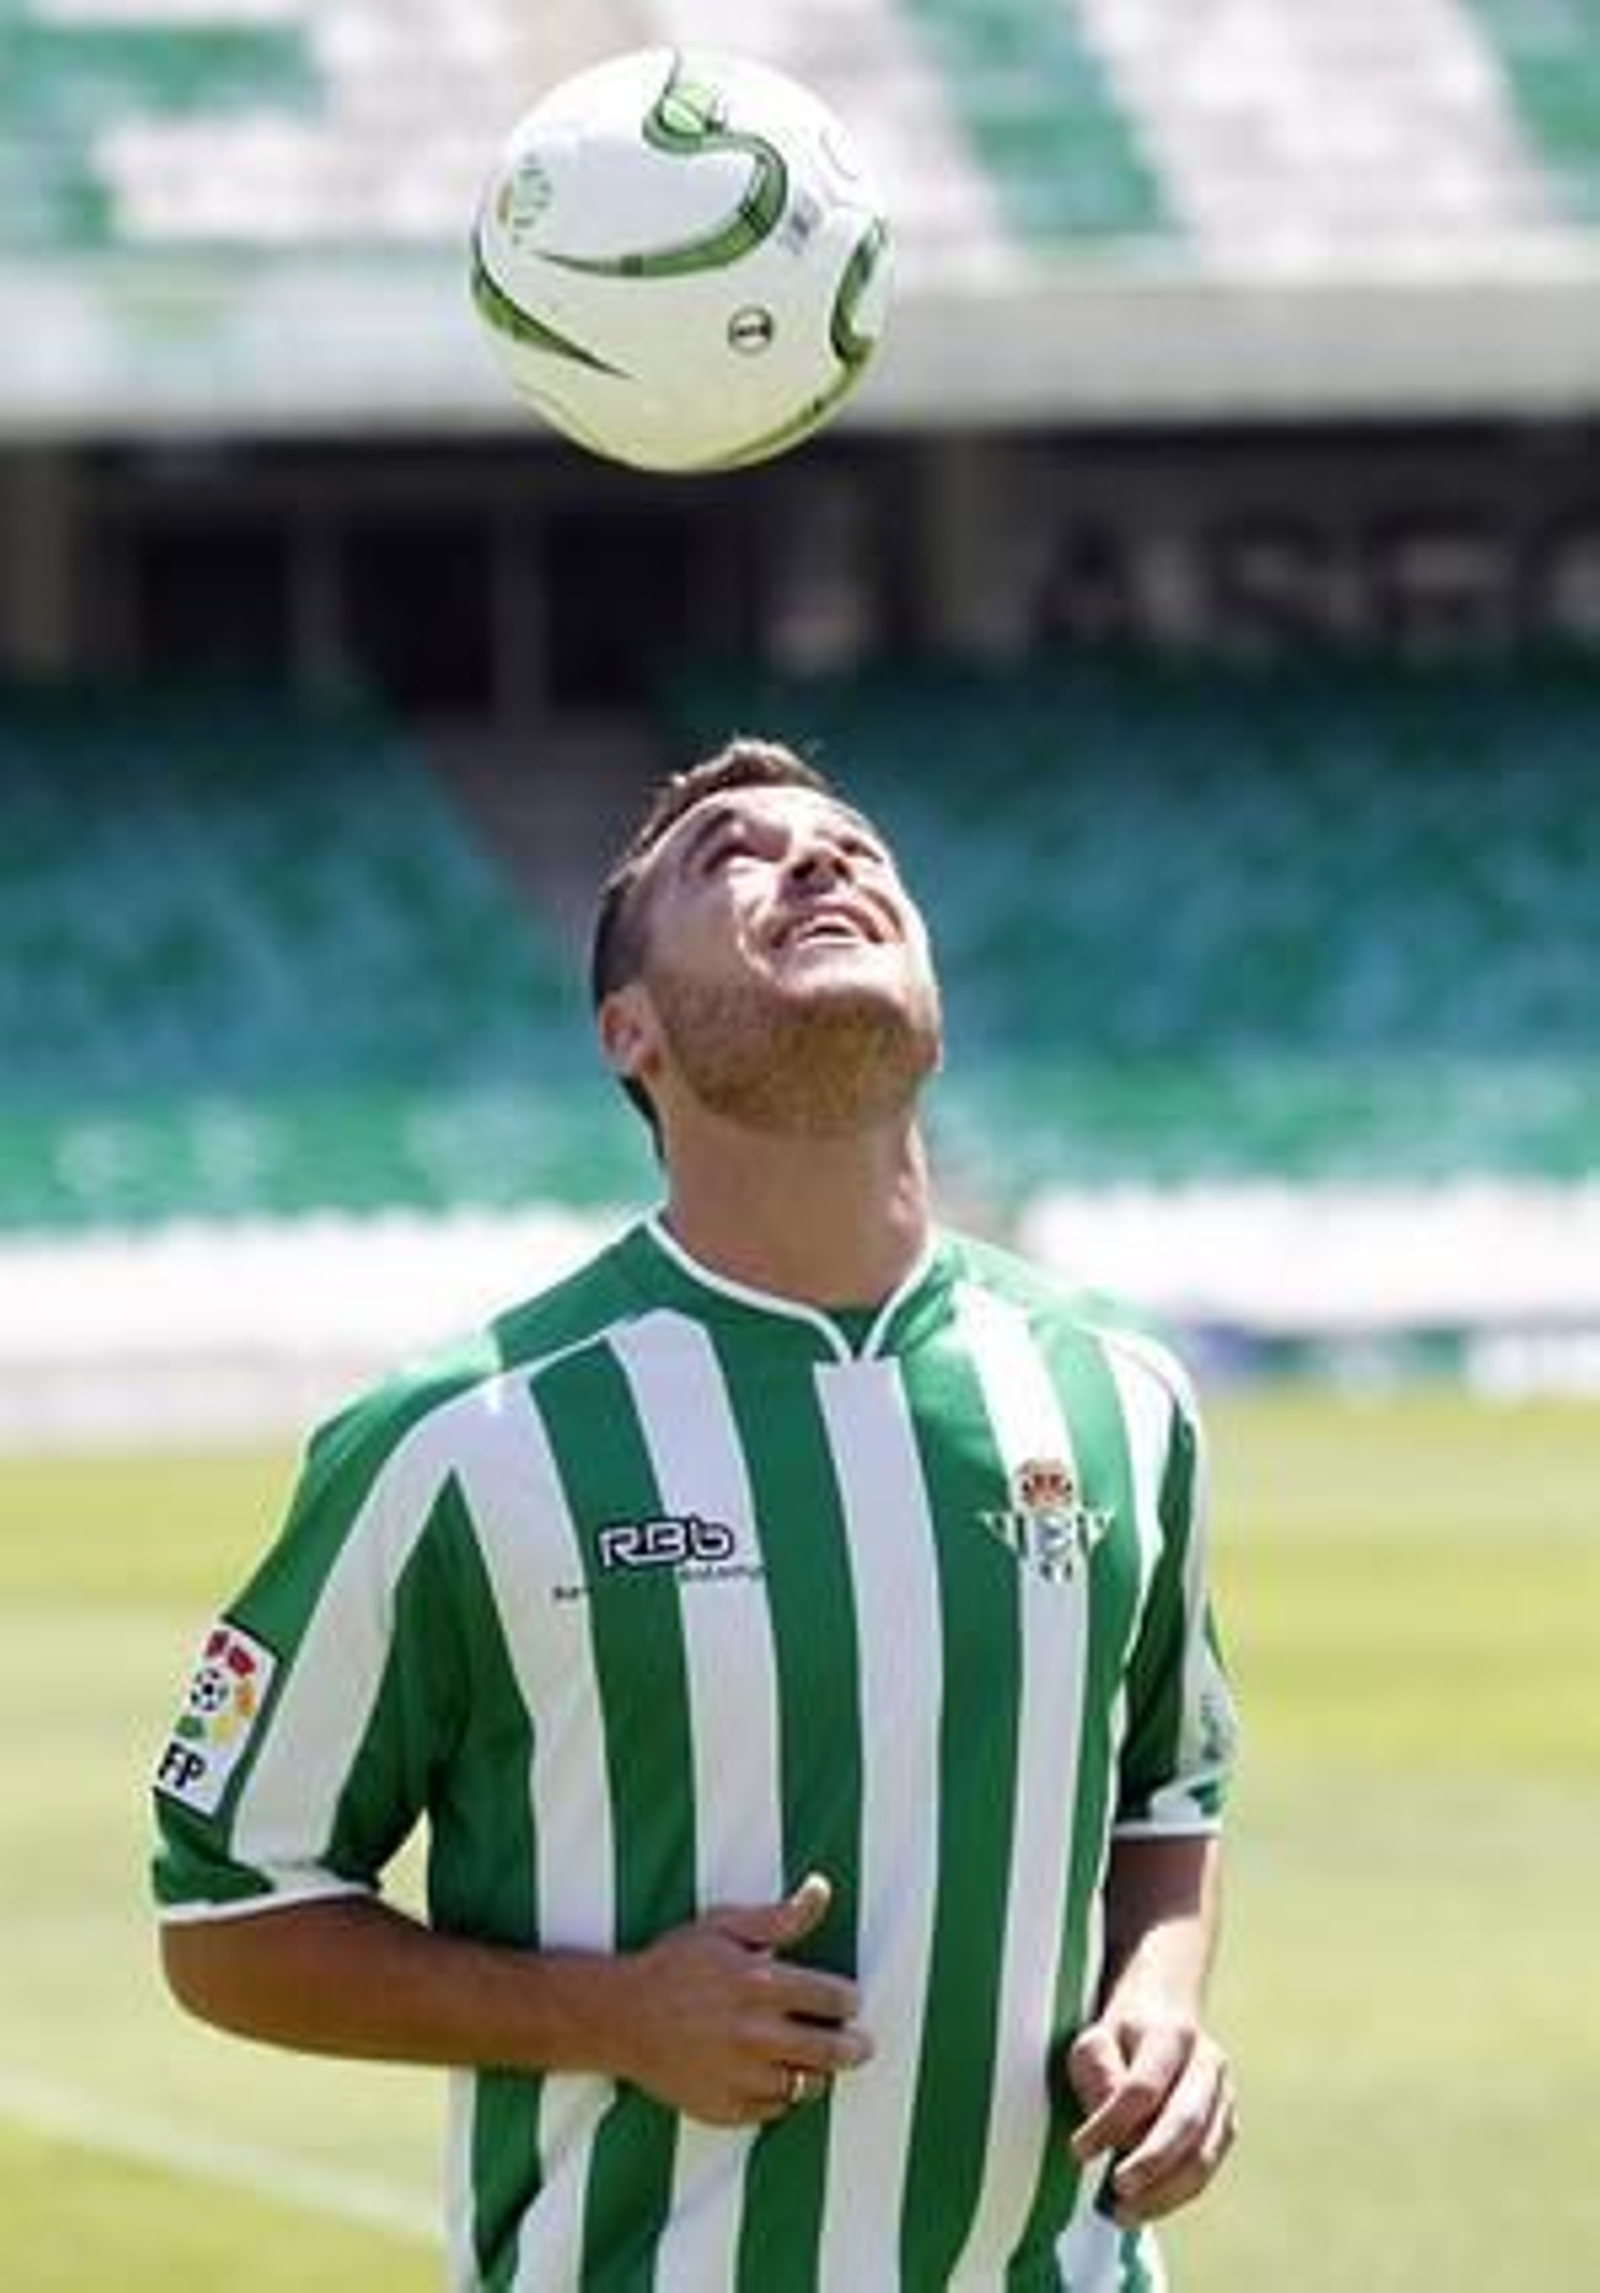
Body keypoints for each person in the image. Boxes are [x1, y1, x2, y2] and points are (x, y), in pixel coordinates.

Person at [152, 736, 1239, 2291]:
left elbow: (1172, 1784)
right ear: (630, 1031)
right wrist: (600, 2013)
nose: (820, 859)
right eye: (731, 851)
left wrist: (1166, 1996)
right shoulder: (460, 1440)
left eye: (854, 841)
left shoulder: (1122, 1394)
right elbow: (225, 1909)